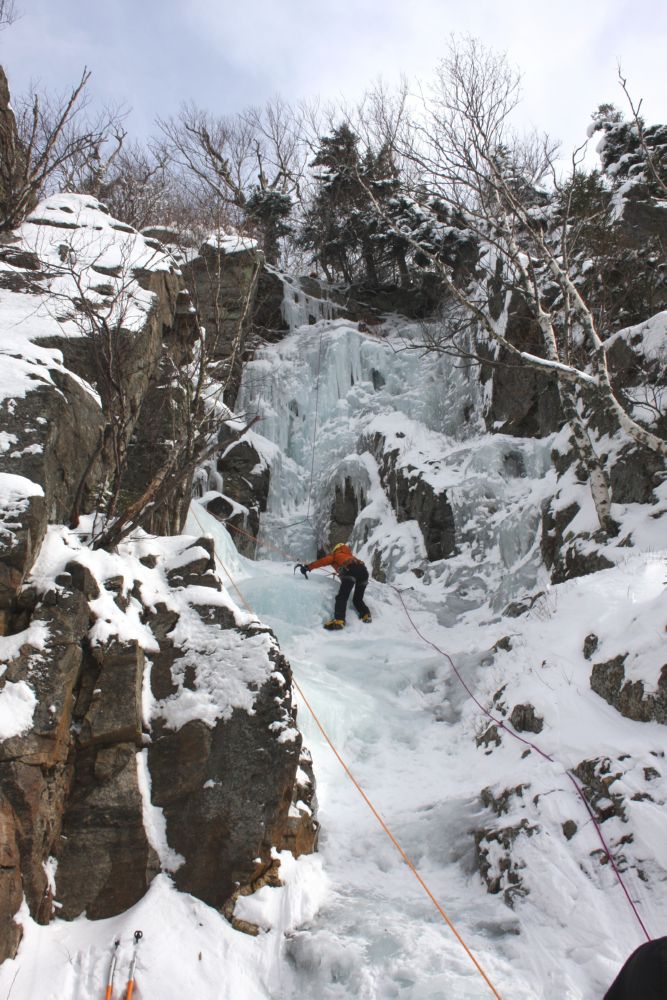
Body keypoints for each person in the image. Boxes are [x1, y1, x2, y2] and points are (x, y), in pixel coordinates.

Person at [297, 542, 371, 630]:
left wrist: (308, 567)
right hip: (364, 572)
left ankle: (339, 621)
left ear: (336, 549)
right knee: (357, 599)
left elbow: (322, 561)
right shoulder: (351, 556)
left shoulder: (335, 555)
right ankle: (366, 615)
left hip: (351, 570)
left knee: (342, 597)